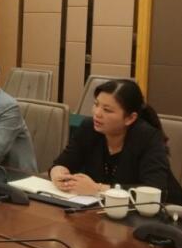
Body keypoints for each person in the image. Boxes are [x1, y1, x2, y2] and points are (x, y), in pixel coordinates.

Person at [50, 79, 182, 203]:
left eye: (107, 110)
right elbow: (62, 163)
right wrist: (58, 173)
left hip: (165, 213)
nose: (97, 113)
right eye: (96, 104)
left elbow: (154, 190)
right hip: (104, 210)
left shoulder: (147, 137)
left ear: (130, 118)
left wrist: (98, 189)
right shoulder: (89, 128)